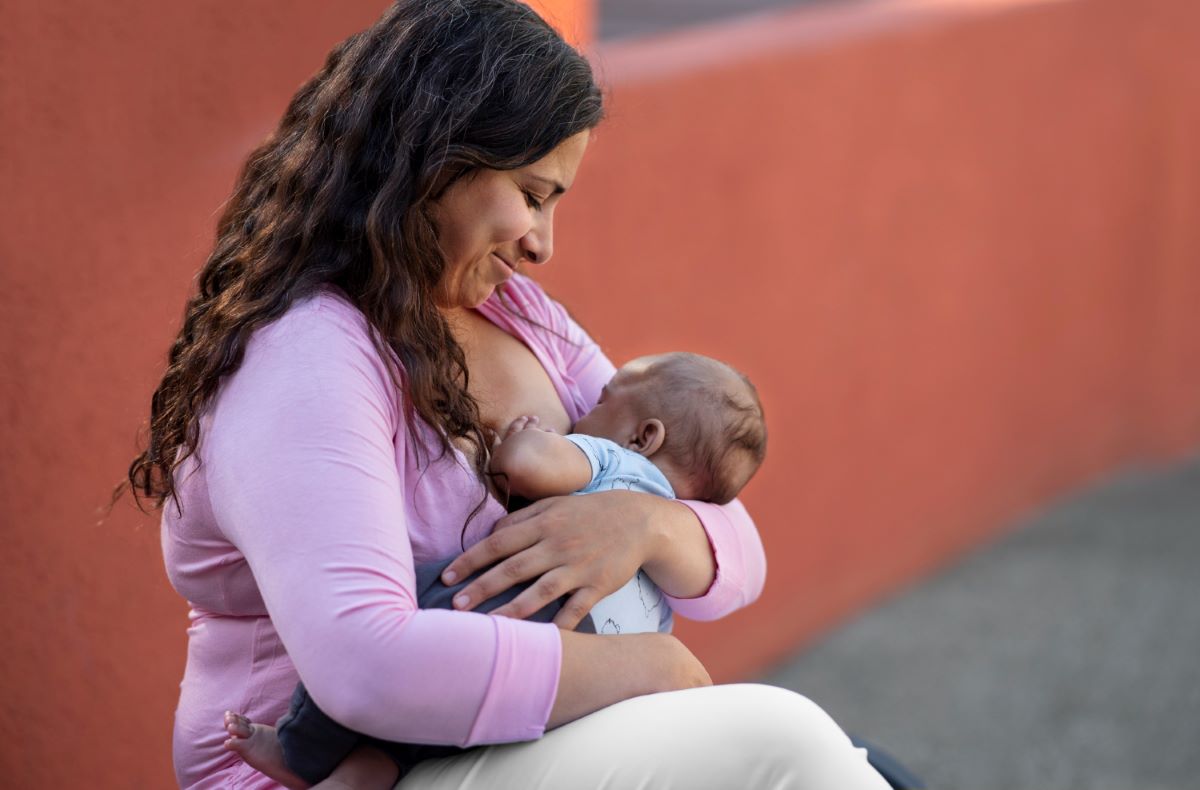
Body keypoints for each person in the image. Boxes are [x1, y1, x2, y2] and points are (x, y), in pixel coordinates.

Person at [128, 1, 891, 787]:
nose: (542, 243)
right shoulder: (305, 357)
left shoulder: (520, 317)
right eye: (532, 194)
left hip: (515, 737)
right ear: (436, 161)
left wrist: (645, 522)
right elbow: (367, 666)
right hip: (344, 768)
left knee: (844, 760)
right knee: (781, 741)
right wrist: (650, 664)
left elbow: (729, 538)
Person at [222, 352, 770, 787]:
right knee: (440, 727)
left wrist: (525, 438)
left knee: (414, 607)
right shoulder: (677, 523)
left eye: (602, 401)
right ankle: (365, 774)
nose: (584, 409)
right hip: (602, 673)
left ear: (644, 437)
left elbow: (528, 466)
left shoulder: (614, 462)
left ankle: (301, 746)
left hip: (538, 610)